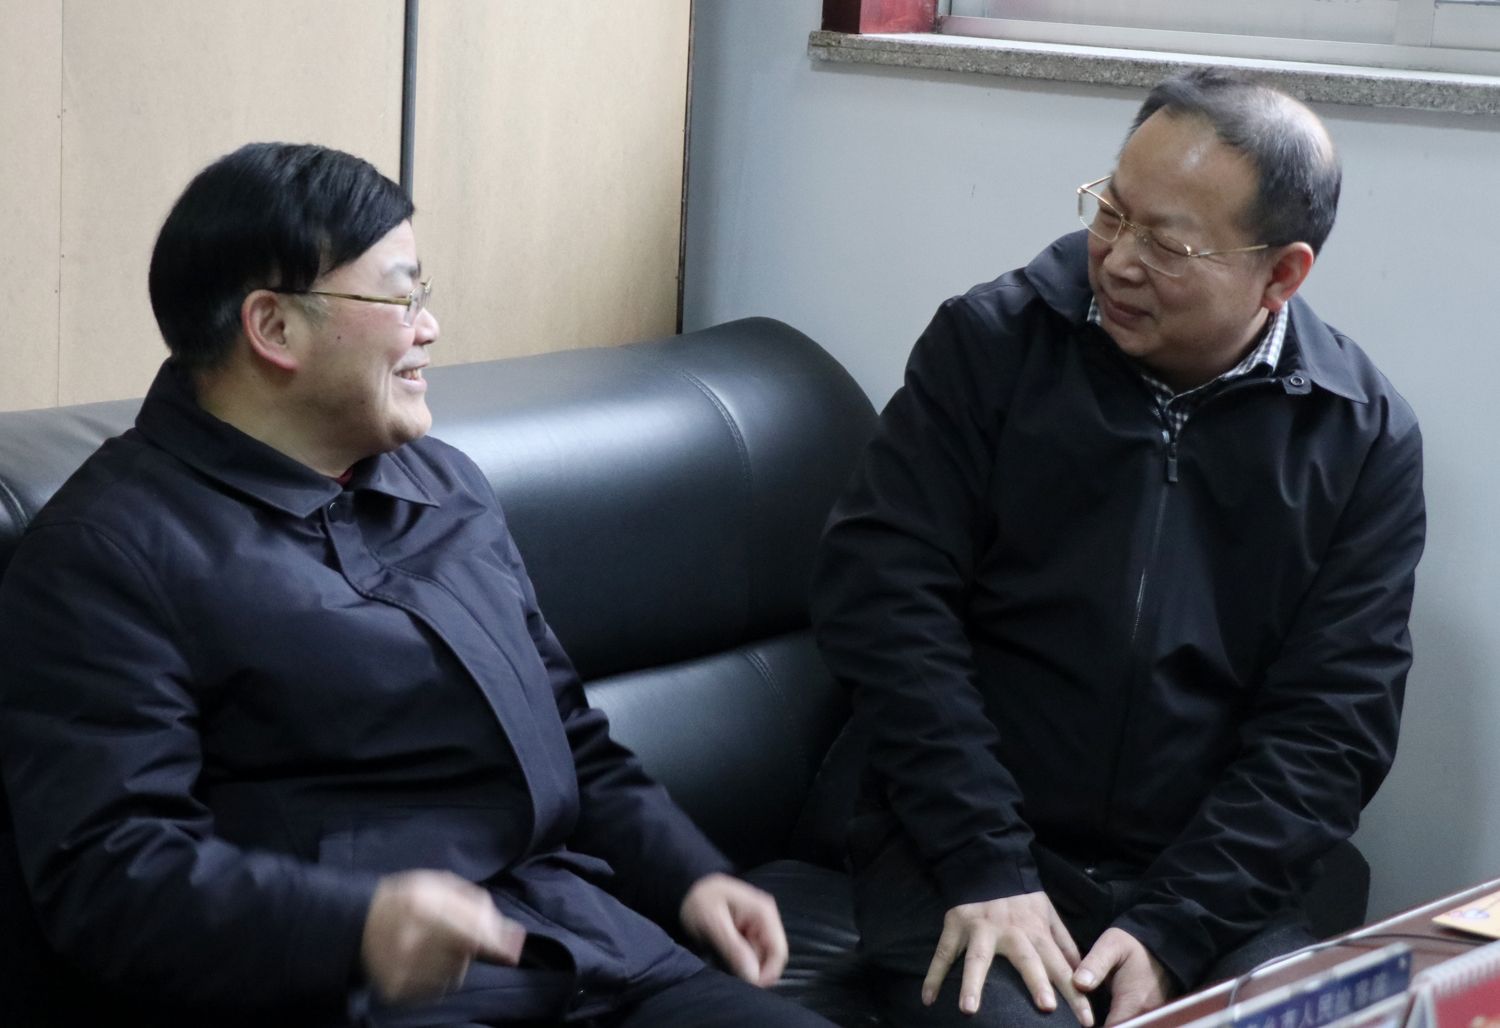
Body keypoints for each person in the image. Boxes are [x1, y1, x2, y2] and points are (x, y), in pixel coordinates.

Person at [0, 142, 833, 1028]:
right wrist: (353, 929)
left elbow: (566, 735)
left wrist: (689, 877)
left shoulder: (445, 485)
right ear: (274, 328)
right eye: (401, 298)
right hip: (360, 998)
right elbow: (111, 875)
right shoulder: (104, 556)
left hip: (595, 951)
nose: (428, 328)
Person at [811, 68, 1425, 1028]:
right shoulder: (992, 346)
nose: (1119, 262)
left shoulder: (1360, 438)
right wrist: (985, 861)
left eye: (1169, 244)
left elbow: (1330, 726)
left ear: (1282, 275)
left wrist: (1176, 927)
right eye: (1112, 212)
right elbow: (884, 604)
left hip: (1207, 879)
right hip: (965, 852)